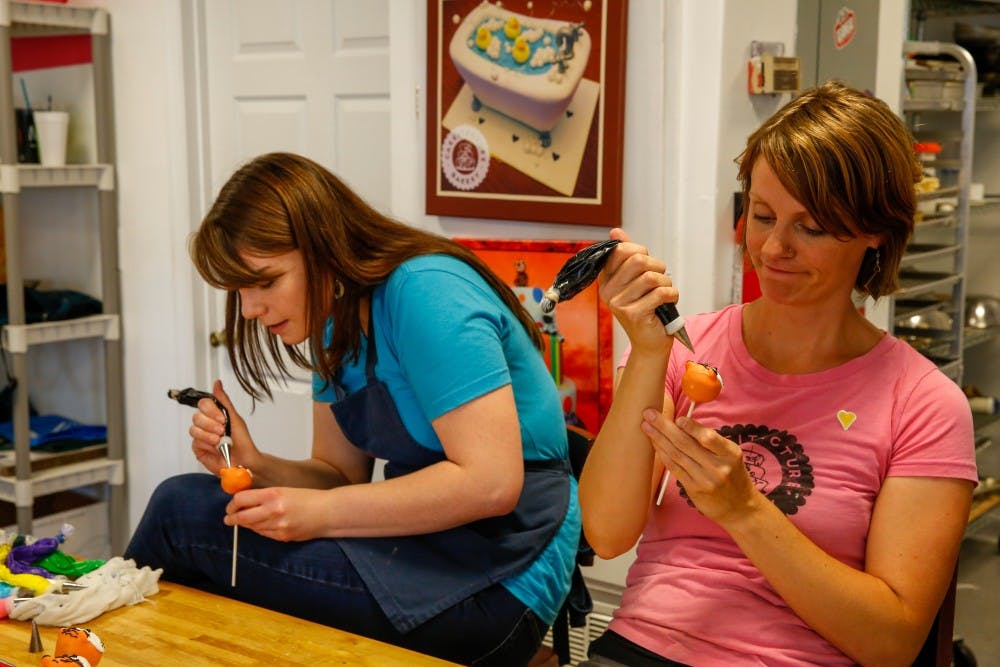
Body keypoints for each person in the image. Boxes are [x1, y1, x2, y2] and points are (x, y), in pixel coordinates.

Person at [124, 152, 580, 666]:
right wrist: (256, 464)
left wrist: (315, 515)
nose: (250, 309)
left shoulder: (427, 291)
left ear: (323, 248)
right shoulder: (333, 321)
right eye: (240, 291)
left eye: (266, 282)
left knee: (179, 514)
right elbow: (339, 477)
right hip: (423, 545)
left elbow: (492, 484)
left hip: (504, 573)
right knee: (185, 509)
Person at [578, 81, 977, 666]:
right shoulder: (688, 350)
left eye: (810, 227)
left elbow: (892, 642)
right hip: (641, 647)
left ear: (875, 233)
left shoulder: (922, 403)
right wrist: (644, 352)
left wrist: (745, 509)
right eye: (761, 215)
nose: (773, 248)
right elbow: (607, 532)